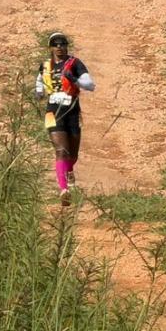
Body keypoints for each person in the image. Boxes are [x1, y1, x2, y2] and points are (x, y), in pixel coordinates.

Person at [34, 32, 96, 205]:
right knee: (61, 150)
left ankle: (69, 171)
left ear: (67, 46)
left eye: (63, 44)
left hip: (72, 110)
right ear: (50, 47)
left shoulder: (75, 63)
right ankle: (64, 190)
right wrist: (38, 93)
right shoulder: (45, 66)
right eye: (56, 44)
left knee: (73, 153)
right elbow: (39, 83)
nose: (59, 47)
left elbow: (90, 85)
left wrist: (75, 80)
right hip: (53, 111)